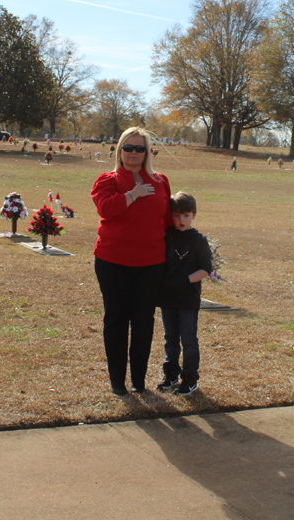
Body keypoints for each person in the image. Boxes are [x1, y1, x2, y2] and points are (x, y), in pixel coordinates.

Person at [91, 126, 172, 395]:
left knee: (143, 321)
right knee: (116, 320)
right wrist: (133, 194)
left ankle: (139, 379)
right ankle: (117, 381)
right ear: (119, 150)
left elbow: (168, 221)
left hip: (151, 263)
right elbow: (105, 208)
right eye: (128, 147)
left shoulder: (161, 180)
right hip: (113, 261)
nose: (134, 153)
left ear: (148, 152)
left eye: (140, 148)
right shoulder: (108, 179)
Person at [156, 192, 213, 396]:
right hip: (168, 298)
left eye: (186, 215)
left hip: (188, 298)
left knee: (188, 338)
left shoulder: (198, 240)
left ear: (194, 215)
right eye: (177, 216)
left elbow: (206, 269)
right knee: (170, 337)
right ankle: (170, 374)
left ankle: (189, 378)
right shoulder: (167, 236)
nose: (181, 220)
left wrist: (185, 279)